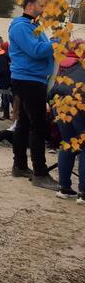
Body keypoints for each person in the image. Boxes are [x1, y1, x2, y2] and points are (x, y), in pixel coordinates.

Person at [9, 0, 58, 190]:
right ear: (29, 5)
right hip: (28, 78)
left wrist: (51, 42)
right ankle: (40, 173)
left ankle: (20, 165)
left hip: (32, 78)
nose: (43, 7)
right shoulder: (21, 26)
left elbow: (39, 48)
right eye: (40, 4)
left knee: (24, 122)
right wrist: (56, 43)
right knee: (39, 125)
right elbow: (36, 51)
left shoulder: (34, 26)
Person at [50, 46, 84, 203]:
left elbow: (52, 89)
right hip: (79, 105)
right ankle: (83, 193)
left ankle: (64, 187)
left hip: (60, 104)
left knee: (68, 143)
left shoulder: (65, 66)